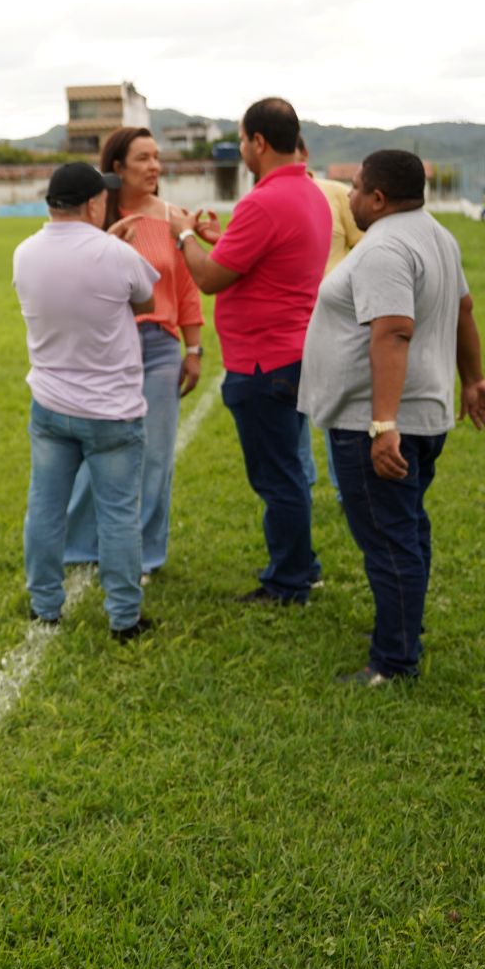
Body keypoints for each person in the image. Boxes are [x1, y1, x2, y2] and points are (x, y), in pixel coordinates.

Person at [298, 150, 485, 685]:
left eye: (357, 188)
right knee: (405, 529)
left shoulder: (386, 247)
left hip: (384, 422)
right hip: (420, 415)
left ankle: (393, 662)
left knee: (390, 541)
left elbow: (393, 331)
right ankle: (405, 631)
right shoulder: (435, 234)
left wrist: (382, 425)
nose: (351, 197)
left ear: (379, 198)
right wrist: (473, 379)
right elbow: (464, 311)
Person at [166, 97, 330, 604]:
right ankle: (303, 566)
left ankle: (288, 583)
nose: (240, 149)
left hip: (263, 361)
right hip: (295, 351)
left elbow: (211, 278)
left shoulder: (264, 201)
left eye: (241, 139)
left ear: (258, 142)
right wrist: (222, 237)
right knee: (291, 470)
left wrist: (185, 235)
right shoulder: (309, 193)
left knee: (277, 477)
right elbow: (261, 258)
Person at [14, 162, 160, 642]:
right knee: (118, 513)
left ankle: (45, 605)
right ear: (95, 204)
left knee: (45, 506)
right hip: (111, 409)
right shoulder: (114, 253)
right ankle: (123, 617)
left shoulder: (24, 253)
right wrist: (111, 245)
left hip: (51, 404)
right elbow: (145, 302)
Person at [63, 127, 204, 581]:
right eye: (142, 158)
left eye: (156, 157)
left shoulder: (173, 219)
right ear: (116, 167)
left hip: (160, 348)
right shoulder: (94, 220)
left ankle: (143, 556)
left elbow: (183, 289)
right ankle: (80, 545)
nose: (154, 167)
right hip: (104, 348)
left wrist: (195, 346)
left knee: (155, 454)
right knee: (94, 447)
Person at [297, 134, 363, 493]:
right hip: (291, 323)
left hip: (336, 319)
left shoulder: (336, 194)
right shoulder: (260, 202)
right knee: (294, 407)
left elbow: (364, 244)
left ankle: (344, 486)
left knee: (337, 403)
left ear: (303, 153)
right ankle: (301, 483)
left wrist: (337, 288)